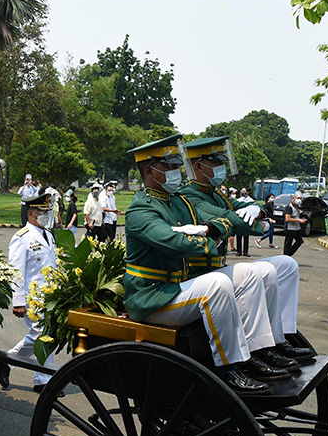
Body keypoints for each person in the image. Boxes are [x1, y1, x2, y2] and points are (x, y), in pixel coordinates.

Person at [121, 137, 289, 393]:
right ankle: (229, 366)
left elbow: (223, 221)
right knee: (217, 283)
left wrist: (209, 229)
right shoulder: (140, 211)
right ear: (149, 171)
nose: (177, 173)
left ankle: (258, 350)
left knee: (255, 272)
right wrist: (209, 240)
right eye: (169, 167)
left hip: (177, 288)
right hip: (152, 297)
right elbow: (177, 243)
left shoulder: (179, 201)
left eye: (177, 166)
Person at [0, 193, 60, 392]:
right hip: (33, 297)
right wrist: (18, 301)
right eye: (44, 211)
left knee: (48, 334)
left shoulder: (48, 234)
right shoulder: (22, 238)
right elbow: (15, 272)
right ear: (32, 213)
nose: (48, 215)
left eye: (48, 211)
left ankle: (39, 377)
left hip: (51, 296)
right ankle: (13, 362)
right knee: (41, 334)